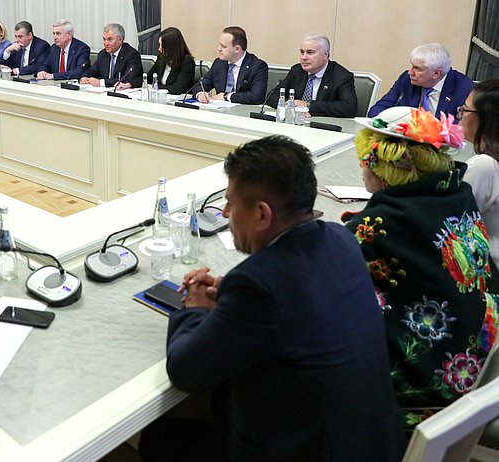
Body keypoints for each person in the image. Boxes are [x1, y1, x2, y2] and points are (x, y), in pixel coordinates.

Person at [140, 135, 403, 461]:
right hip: (374, 444)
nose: (224, 213)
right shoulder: (340, 237)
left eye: (231, 204)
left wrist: (194, 305)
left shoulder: (258, 284)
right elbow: (298, 300)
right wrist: (228, 296)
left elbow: (184, 371)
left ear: (262, 215)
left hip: (308, 451)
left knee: (160, 438)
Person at [342, 107, 498, 430]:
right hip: (485, 361)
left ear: (381, 167)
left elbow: (329, 267)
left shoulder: (378, 226)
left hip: (433, 397)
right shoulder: (457, 192)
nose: (360, 167)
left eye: (364, 160)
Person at [368, 43, 473, 121]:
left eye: (417, 68)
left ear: (436, 73)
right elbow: (376, 110)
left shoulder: (464, 88)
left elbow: (464, 126)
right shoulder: (407, 79)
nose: (410, 72)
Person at [263, 33, 358, 117]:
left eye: (310, 52)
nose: (304, 57)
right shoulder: (297, 70)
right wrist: (290, 103)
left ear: (326, 55)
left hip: (323, 128)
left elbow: (350, 107)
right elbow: (271, 96)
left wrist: (307, 105)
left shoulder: (341, 76)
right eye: (302, 52)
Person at [460, 79, 499, 263]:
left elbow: (450, 219)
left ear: (487, 117)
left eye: (465, 110)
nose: (460, 114)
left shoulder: (485, 165)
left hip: (488, 272)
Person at [191, 26, 268, 104]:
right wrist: (200, 94)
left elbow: (257, 97)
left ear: (237, 49)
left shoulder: (257, 66)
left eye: (223, 46)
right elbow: (199, 86)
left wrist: (227, 96)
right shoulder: (219, 63)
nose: (219, 49)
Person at [80, 23, 143, 88]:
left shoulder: (131, 54)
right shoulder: (103, 54)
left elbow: (127, 79)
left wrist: (101, 83)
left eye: (110, 39)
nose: (106, 43)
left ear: (120, 40)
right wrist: (85, 77)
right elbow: (92, 70)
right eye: (104, 39)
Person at [143, 27, 196, 95]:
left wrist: (155, 87)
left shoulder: (187, 63)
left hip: (177, 101)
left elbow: (177, 89)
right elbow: (149, 78)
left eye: (162, 46)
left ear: (171, 47)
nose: (159, 49)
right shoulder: (161, 58)